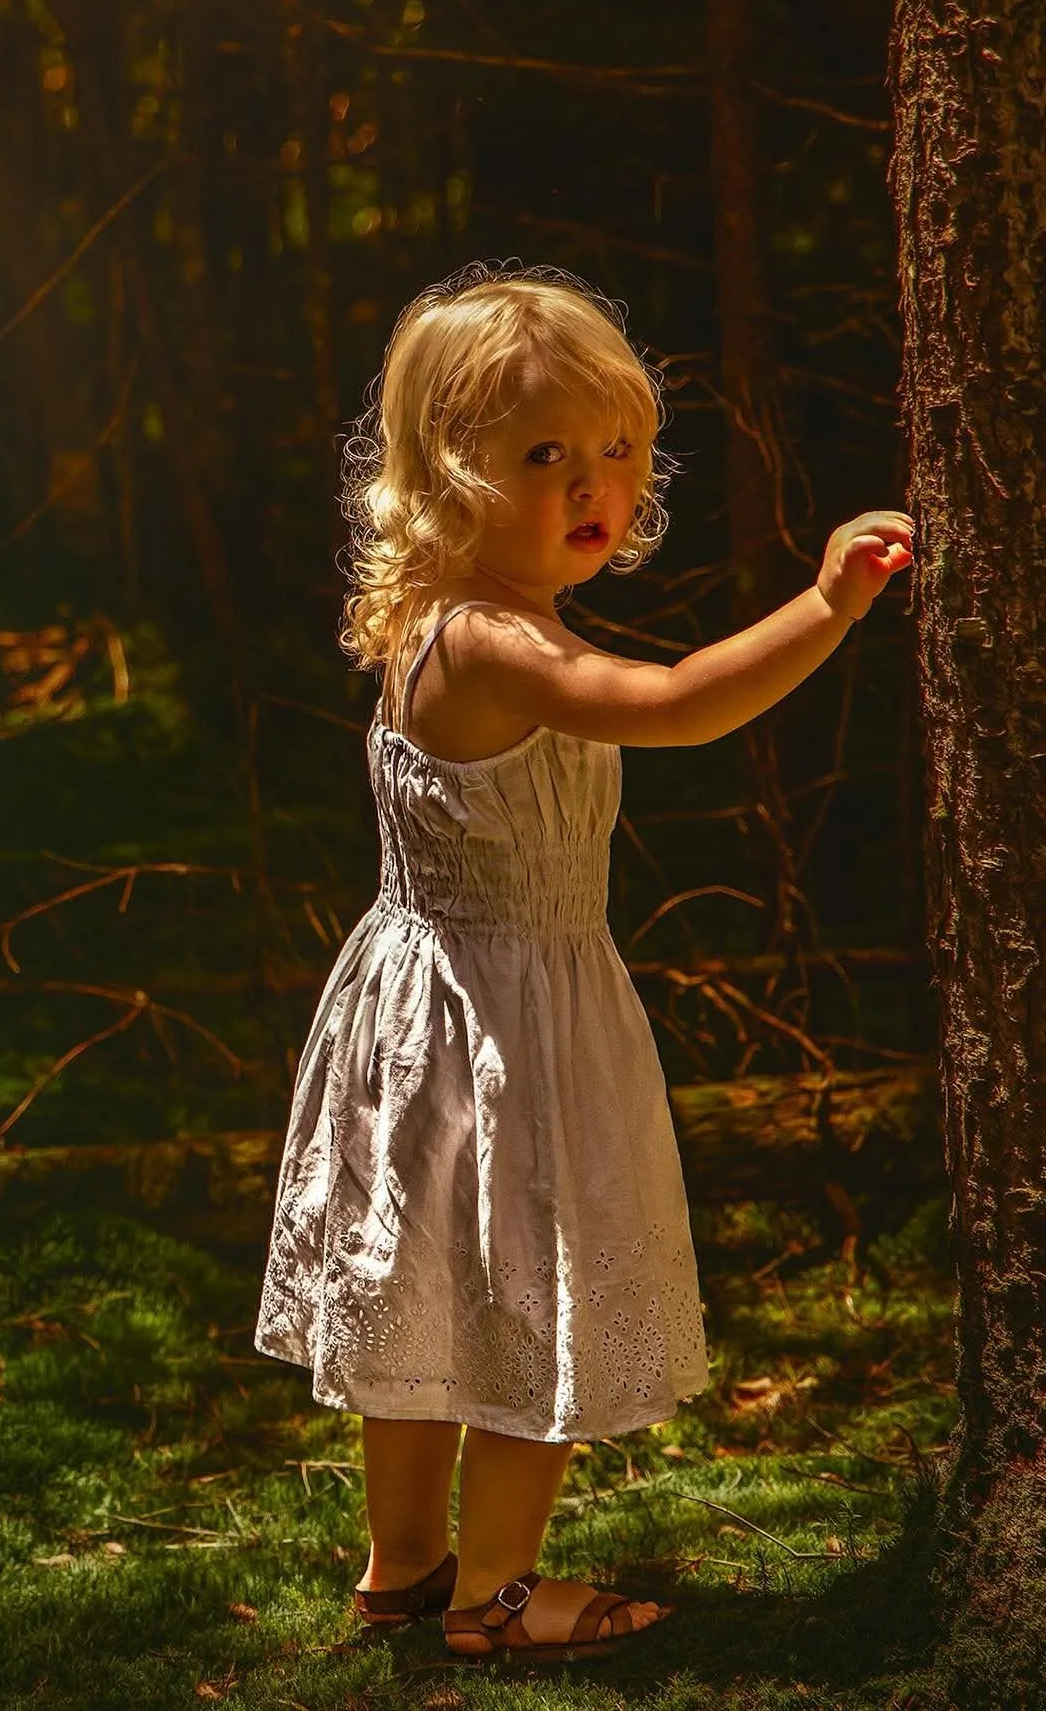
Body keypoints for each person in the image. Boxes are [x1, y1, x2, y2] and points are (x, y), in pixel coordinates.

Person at [252, 259, 914, 1662]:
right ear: (447, 475)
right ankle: (495, 1598)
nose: (590, 483)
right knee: (529, 1295)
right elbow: (672, 705)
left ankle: (404, 1572)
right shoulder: (498, 643)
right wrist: (826, 608)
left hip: (420, 1003)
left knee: (431, 1288)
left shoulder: (440, 617)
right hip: (508, 1020)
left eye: (613, 449)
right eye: (542, 454)